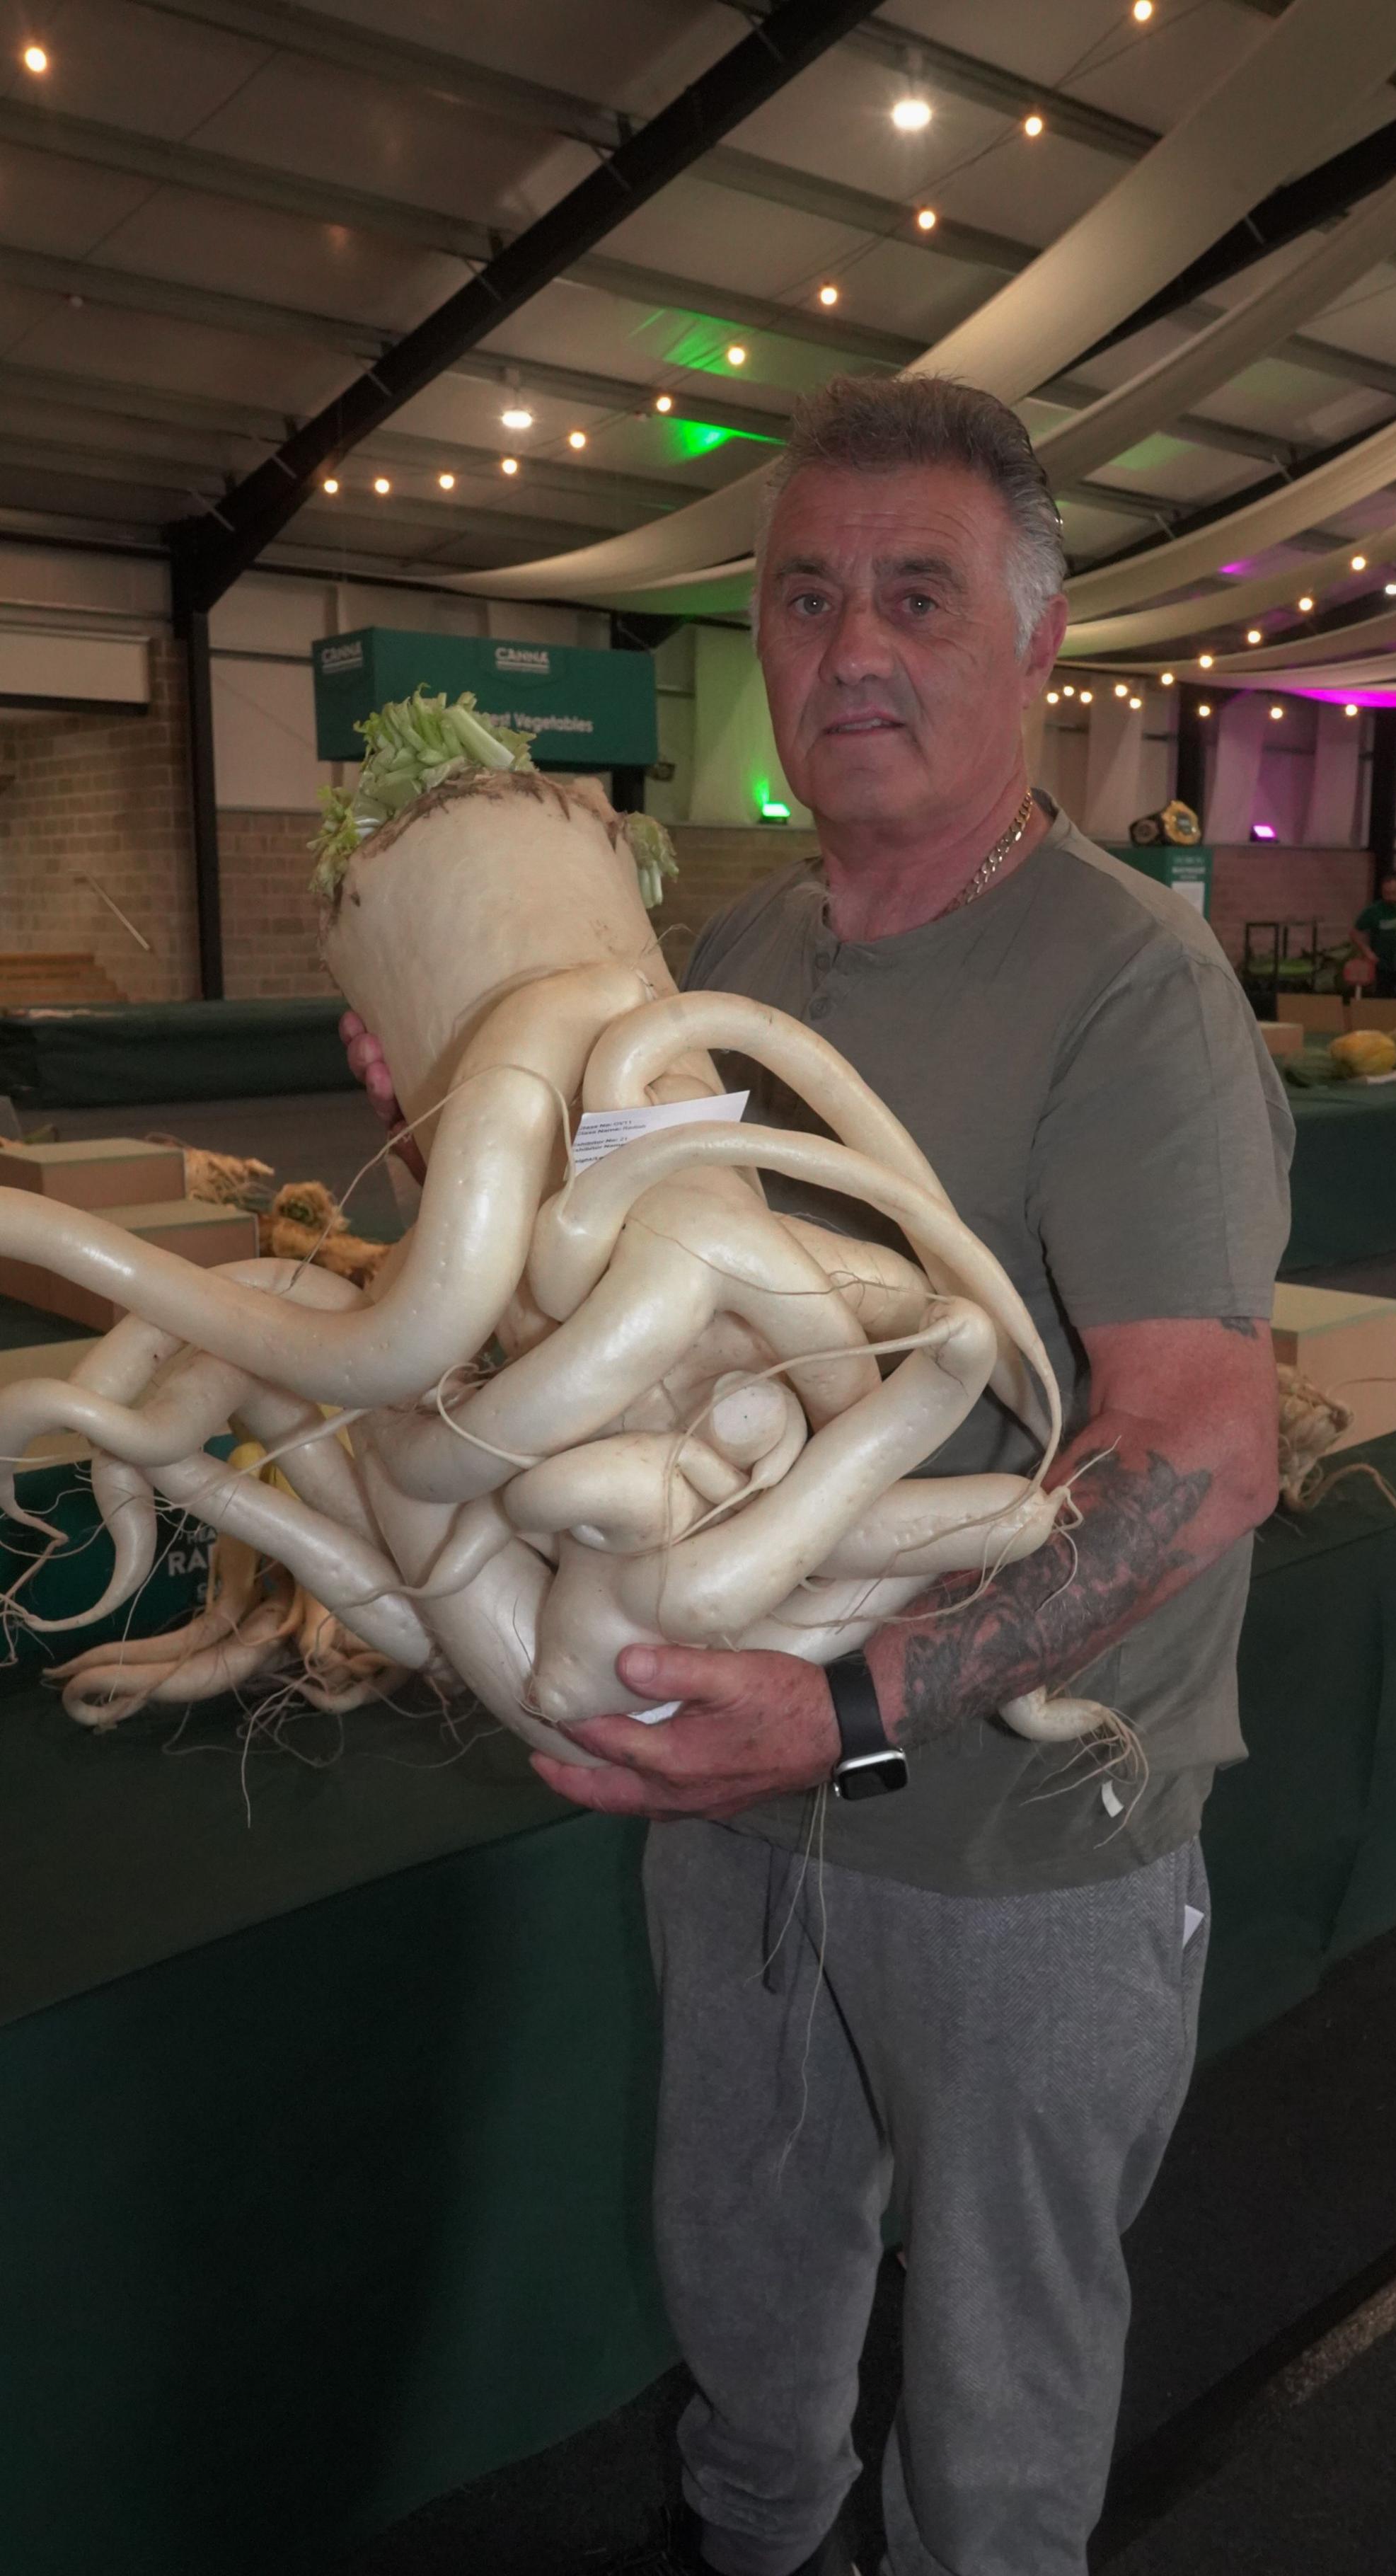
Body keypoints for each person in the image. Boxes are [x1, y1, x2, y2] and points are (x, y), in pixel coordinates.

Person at [344, 374, 1291, 2576]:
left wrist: (852, 1708)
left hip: (1020, 1835)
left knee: (994, 2388)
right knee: (750, 2312)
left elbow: (1198, 1454)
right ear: (755, 642)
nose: (850, 645)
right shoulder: (731, 962)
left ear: (1034, 642)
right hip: (736, 1786)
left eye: (915, 595)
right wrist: (439, 1126)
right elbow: (579, 1331)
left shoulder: (1127, 994)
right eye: (801, 595)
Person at [1351, 870, 1396, 999]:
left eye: (1394, 893)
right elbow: (1354, 932)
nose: (1391, 897)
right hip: (1384, 965)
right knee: (1383, 997)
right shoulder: (1374, 911)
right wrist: (1367, 952)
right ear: (1382, 892)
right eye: (1387, 894)